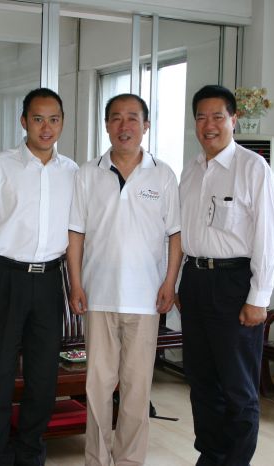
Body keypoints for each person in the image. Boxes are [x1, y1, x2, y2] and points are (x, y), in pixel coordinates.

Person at [0, 87, 78, 466]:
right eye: (38, 119)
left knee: (44, 378)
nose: (46, 127)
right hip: (4, 280)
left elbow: (79, 233)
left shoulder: (72, 172)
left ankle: (30, 455)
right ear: (24, 121)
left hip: (50, 281)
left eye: (54, 119)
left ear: (62, 123)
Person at [66, 93, 182, 466]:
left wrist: (170, 283)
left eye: (133, 118)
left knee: (136, 390)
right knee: (97, 387)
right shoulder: (88, 173)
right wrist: (75, 284)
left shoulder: (163, 174)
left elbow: (175, 235)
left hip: (145, 299)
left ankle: (130, 460)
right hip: (98, 296)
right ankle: (97, 460)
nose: (124, 125)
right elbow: (76, 233)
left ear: (146, 125)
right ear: (106, 125)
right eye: (116, 118)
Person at [178, 84, 274, 466]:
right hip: (195, 281)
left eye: (217, 116)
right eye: (201, 117)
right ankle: (211, 456)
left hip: (234, 284)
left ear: (234, 120)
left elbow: (269, 238)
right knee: (201, 381)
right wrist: (178, 285)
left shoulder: (253, 169)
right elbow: (180, 234)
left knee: (238, 387)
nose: (209, 125)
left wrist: (259, 297)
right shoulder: (191, 171)